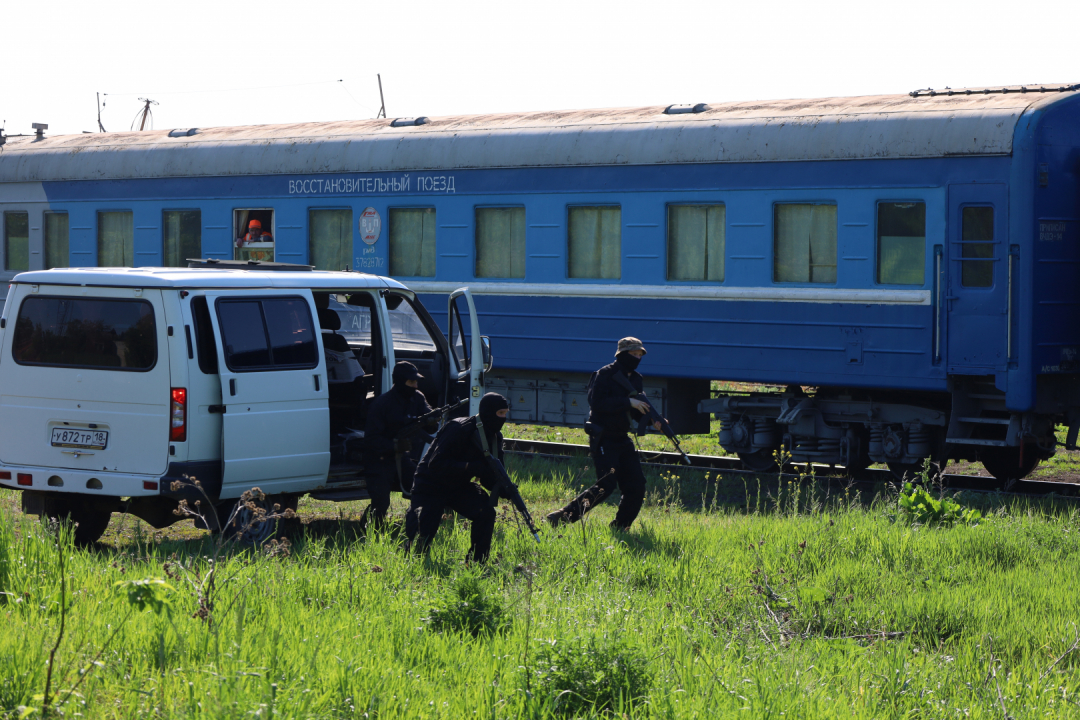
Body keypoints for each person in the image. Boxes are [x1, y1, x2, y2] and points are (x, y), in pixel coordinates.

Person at [546, 337, 661, 531]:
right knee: (605, 485)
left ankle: (620, 527)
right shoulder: (604, 374)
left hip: (622, 439)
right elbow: (597, 403)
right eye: (633, 354)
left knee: (636, 486)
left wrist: (653, 420)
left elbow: (634, 411)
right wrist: (627, 402)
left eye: (639, 354)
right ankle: (562, 517)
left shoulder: (636, 379)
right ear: (622, 354)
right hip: (603, 438)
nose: (637, 357)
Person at [403, 392, 510, 563]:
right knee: (422, 531)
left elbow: (490, 476)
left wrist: (503, 488)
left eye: (505, 413)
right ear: (487, 412)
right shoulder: (459, 428)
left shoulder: (494, 438)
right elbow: (435, 463)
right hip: (431, 484)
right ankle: (413, 563)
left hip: (458, 486)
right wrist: (469, 466)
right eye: (500, 413)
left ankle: (477, 564)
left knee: (486, 513)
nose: (503, 418)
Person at [362, 361, 434, 531]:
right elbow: (371, 440)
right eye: (411, 382)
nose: (416, 385)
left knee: (421, 490)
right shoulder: (381, 404)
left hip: (402, 458)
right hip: (378, 460)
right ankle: (369, 532)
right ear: (401, 382)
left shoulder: (418, 397)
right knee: (381, 501)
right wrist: (394, 445)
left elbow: (430, 425)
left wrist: (432, 420)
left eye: (416, 382)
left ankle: (418, 527)